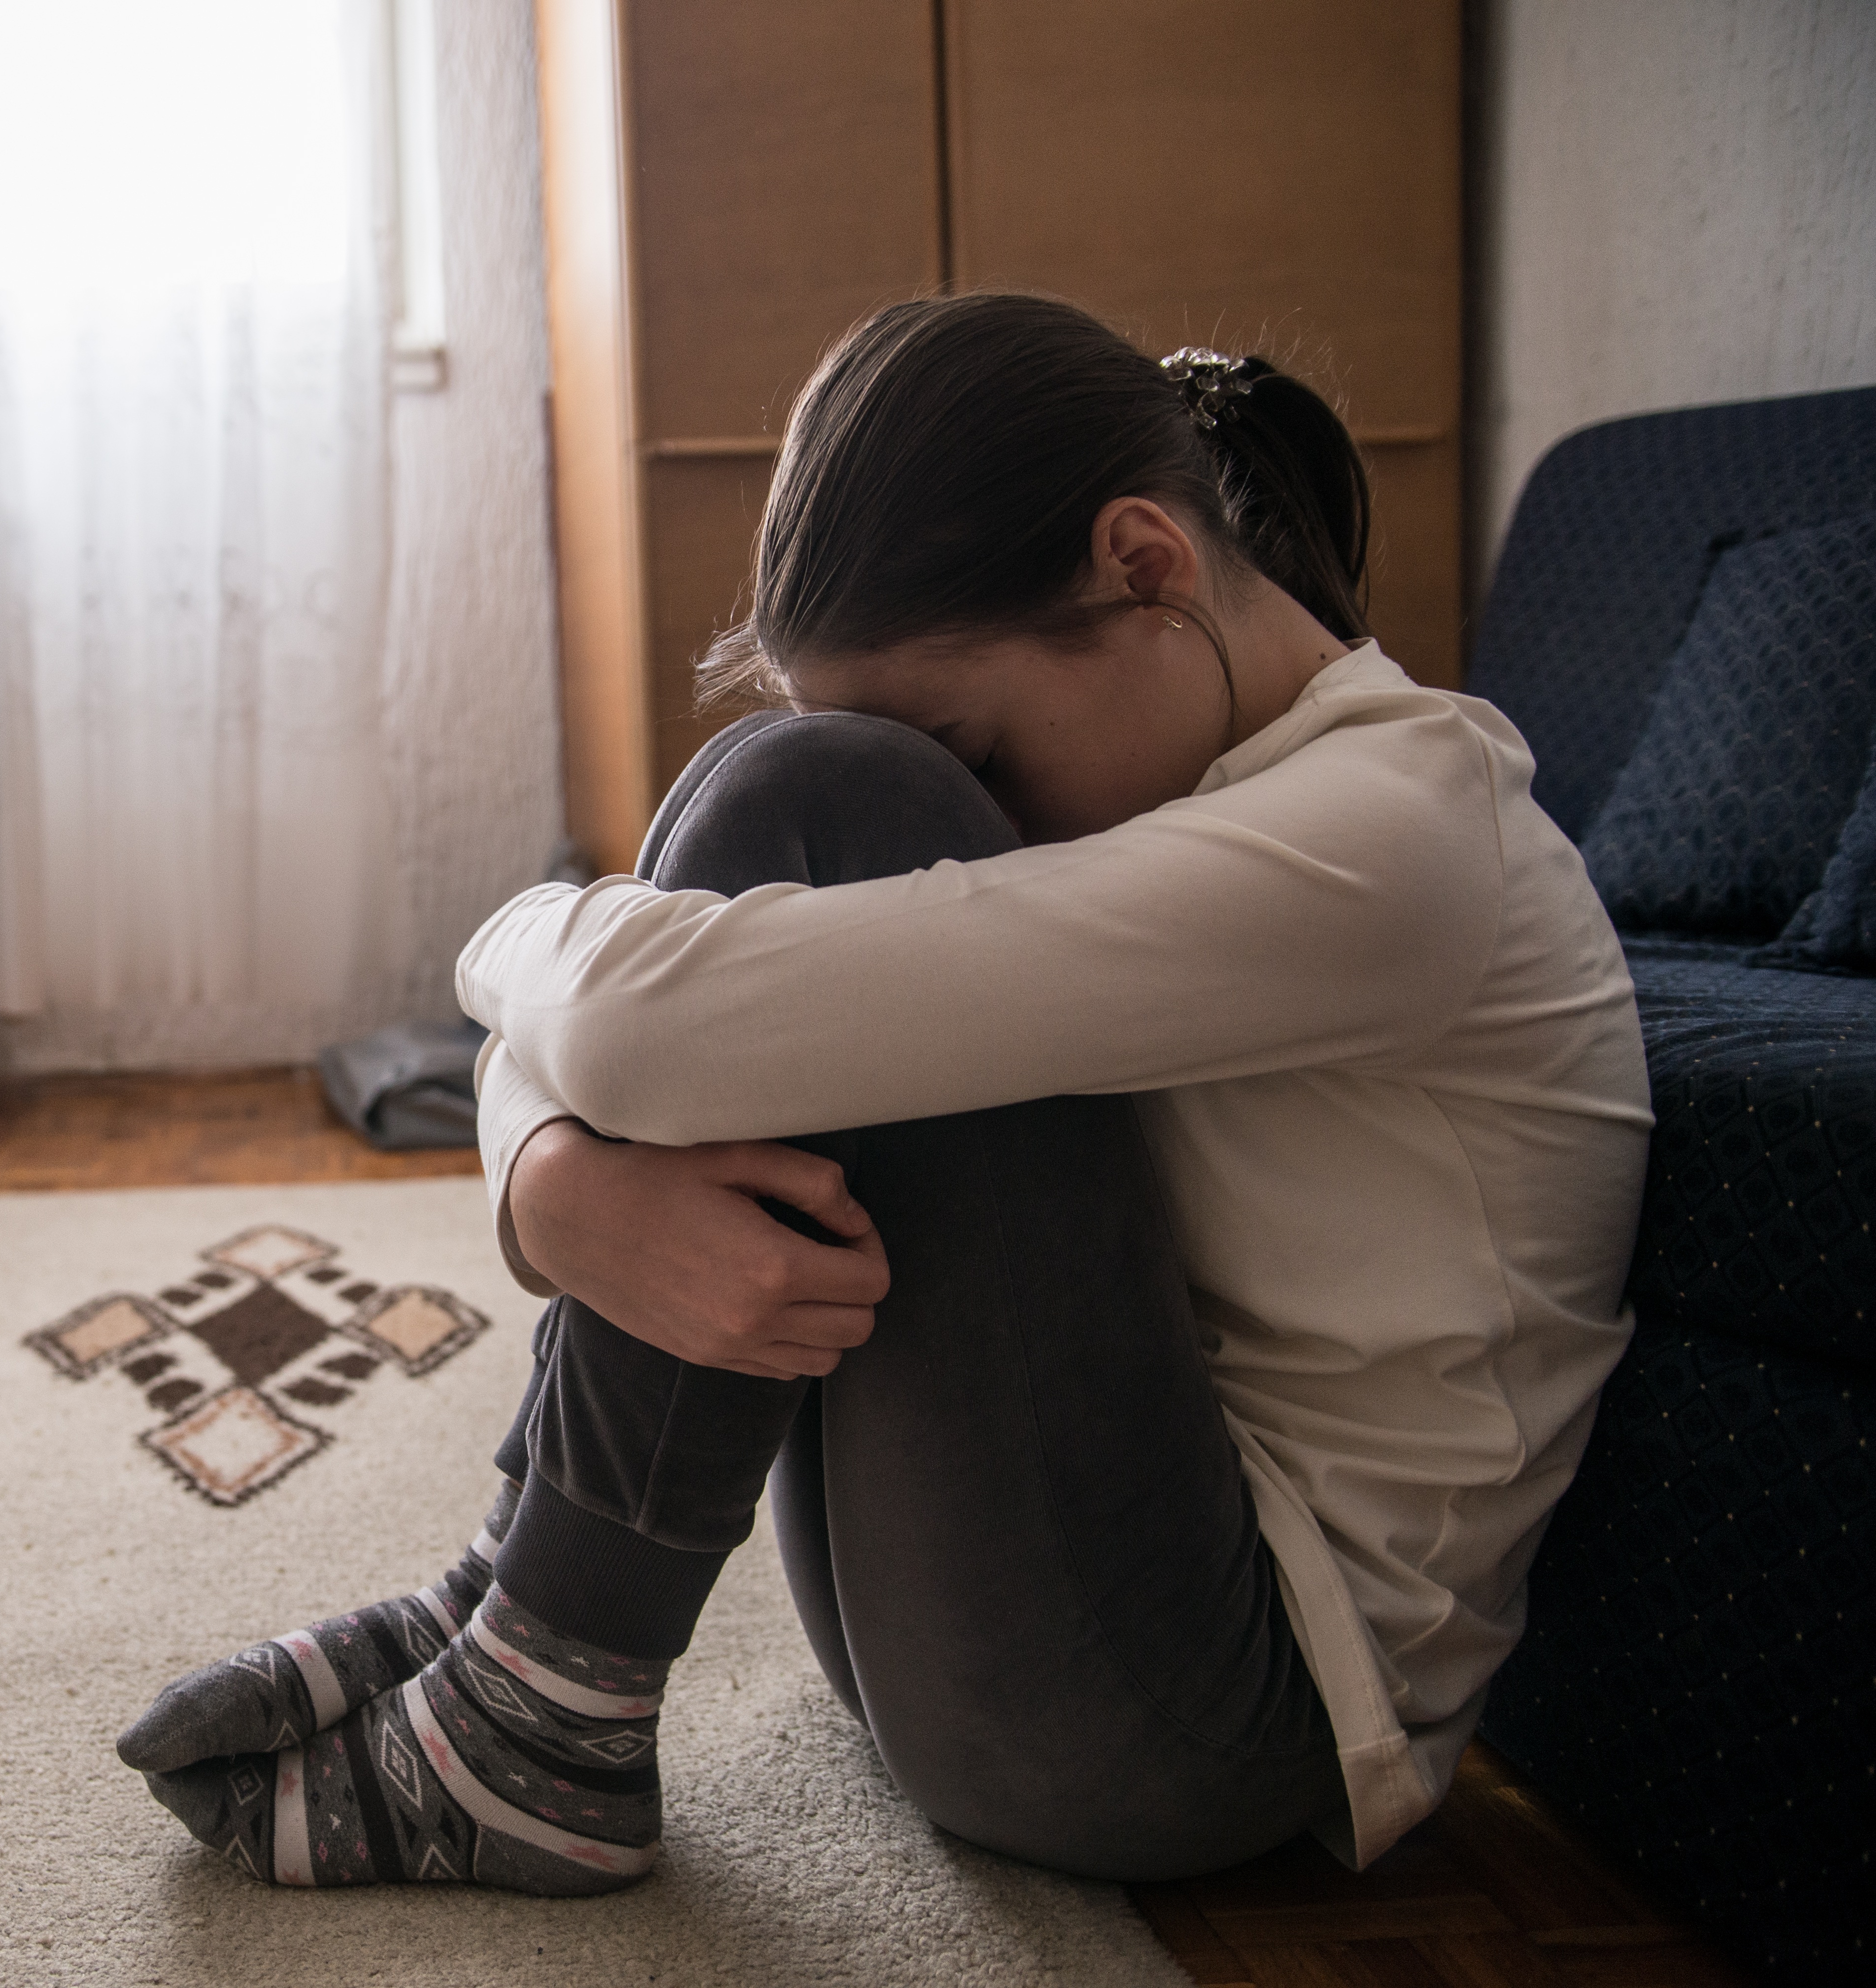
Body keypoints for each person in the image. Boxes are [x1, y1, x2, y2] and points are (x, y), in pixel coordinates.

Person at [115, 292, 1651, 1894]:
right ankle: (525, 1615)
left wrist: (526, 1071)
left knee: (825, 796)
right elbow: (645, 1021)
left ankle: (541, 1678)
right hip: (998, 1629)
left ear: (1146, 568)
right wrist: (556, 1182)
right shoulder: (1234, 795)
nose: (966, 815)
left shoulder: (1391, 845)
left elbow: (641, 1029)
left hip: (1208, 1729)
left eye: (974, 747)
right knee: (774, 792)